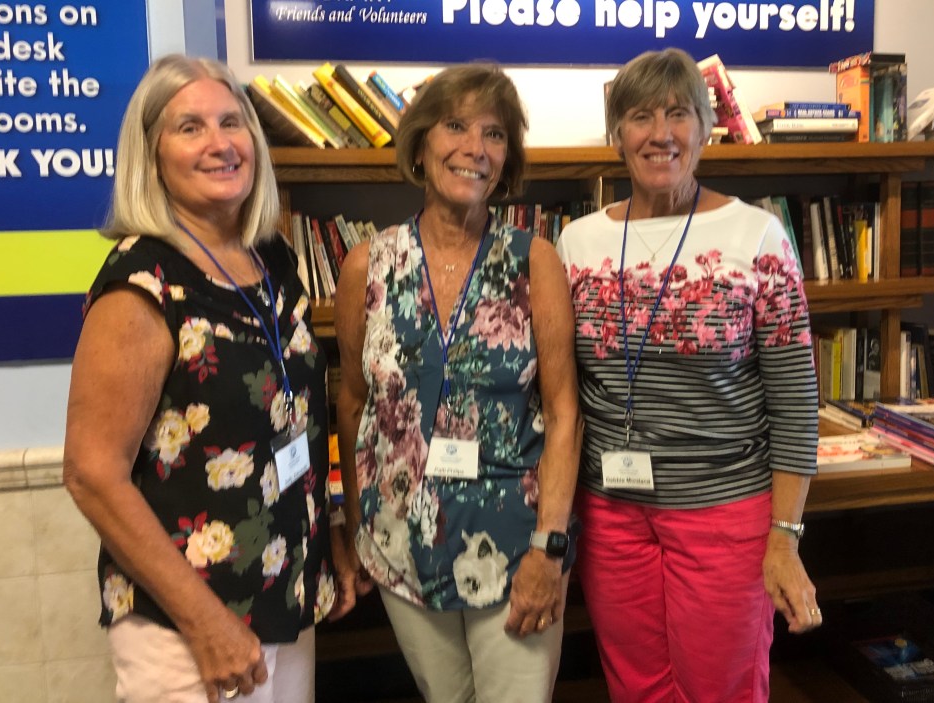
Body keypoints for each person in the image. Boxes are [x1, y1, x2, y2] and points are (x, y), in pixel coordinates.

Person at [63, 54, 353, 703]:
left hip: (286, 595)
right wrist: (204, 621)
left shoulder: (271, 259)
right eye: (190, 127)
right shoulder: (142, 283)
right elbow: (91, 473)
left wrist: (330, 531)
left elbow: (296, 420)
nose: (220, 143)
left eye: (231, 122)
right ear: (151, 154)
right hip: (191, 624)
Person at [555, 48, 821, 702]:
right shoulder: (577, 242)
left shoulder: (757, 235)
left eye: (679, 113)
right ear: (618, 135)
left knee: (720, 688)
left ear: (706, 128)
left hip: (724, 510)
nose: (661, 133)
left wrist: (785, 536)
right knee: (635, 686)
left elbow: (795, 400)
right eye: (641, 116)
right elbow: (566, 391)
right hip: (611, 513)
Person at [334, 63, 583, 702]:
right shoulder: (367, 265)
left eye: (494, 134)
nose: (475, 148)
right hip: (399, 544)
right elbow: (354, 401)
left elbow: (564, 412)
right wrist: (360, 524)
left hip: (514, 545)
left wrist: (549, 549)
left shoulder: (534, 261)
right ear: (420, 145)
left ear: (507, 159)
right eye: (455, 126)